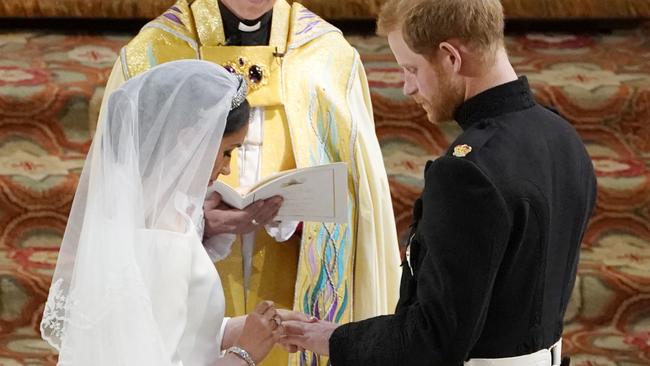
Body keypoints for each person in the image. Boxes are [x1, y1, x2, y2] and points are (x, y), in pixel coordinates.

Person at [281, 0, 598, 365]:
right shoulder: (563, 136)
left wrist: (333, 339)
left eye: (411, 69)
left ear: (450, 57)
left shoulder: (468, 173)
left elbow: (433, 342)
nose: (407, 88)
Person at [98, 0, 401, 364]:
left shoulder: (325, 55)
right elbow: (119, 197)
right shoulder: (153, 52)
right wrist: (196, 222)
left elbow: (358, 197)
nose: (227, 167)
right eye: (226, 154)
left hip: (288, 269)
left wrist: (301, 215)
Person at [40, 60, 307, 366]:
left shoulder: (158, 212)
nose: (227, 168)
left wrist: (257, 329)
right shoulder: (160, 234)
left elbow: (184, 333)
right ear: (192, 138)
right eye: (228, 151)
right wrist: (244, 354)